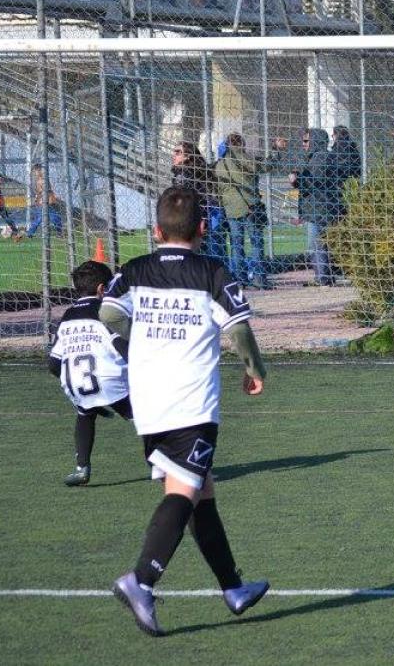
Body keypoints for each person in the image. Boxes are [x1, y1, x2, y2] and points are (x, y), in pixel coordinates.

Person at [99, 185, 269, 636]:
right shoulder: (211, 272)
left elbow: (109, 314)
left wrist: (136, 342)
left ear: (156, 230)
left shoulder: (135, 269)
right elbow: (239, 329)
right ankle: (141, 580)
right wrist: (255, 369)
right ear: (203, 228)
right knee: (184, 492)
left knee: (200, 491)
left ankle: (233, 587)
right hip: (190, 404)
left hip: (148, 402)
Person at [48, 260, 132, 487]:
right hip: (111, 381)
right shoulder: (106, 313)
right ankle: (163, 464)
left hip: (77, 384)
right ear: (102, 289)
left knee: (84, 413)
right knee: (145, 415)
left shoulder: (67, 316)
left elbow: (53, 365)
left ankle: (81, 468)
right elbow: (124, 349)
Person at [214, 133, 271, 289]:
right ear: (241, 144)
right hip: (250, 206)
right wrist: (275, 153)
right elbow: (261, 168)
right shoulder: (242, 158)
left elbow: (219, 189)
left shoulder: (219, 164)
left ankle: (240, 279)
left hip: (231, 208)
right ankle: (259, 278)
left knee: (236, 245)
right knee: (256, 243)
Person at [292, 128, 343, 286]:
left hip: (319, 209)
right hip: (320, 207)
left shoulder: (320, 158)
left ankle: (322, 278)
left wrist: (296, 180)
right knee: (322, 244)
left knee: (316, 245)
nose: (304, 144)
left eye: (306, 141)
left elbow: (314, 182)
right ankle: (325, 276)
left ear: (315, 141)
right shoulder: (319, 157)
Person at [171, 142, 224, 264]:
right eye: (174, 152)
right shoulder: (196, 171)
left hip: (191, 220)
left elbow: (181, 200)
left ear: (188, 156)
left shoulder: (184, 174)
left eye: (178, 152)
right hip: (201, 217)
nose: (174, 155)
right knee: (204, 252)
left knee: (193, 254)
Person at [24, 163, 64, 238]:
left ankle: (30, 233)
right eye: (34, 172)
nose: (35, 174)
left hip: (47, 202)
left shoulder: (43, 179)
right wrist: (38, 198)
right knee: (51, 217)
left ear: (40, 170)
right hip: (44, 202)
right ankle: (30, 233)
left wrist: (41, 197)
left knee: (50, 218)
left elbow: (45, 190)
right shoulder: (40, 180)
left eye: (36, 171)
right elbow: (41, 191)